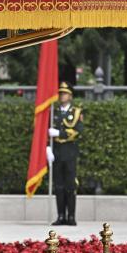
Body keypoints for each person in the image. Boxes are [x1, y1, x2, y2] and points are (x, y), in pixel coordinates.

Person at [49, 81, 83, 225]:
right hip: (56, 152)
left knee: (70, 185)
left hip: (69, 152)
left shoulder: (76, 112)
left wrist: (59, 133)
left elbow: (78, 131)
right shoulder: (53, 112)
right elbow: (45, 132)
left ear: (70, 96)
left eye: (64, 93)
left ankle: (71, 216)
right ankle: (61, 216)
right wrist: (47, 148)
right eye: (60, 93)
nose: (62, 96)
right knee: (58, 185)